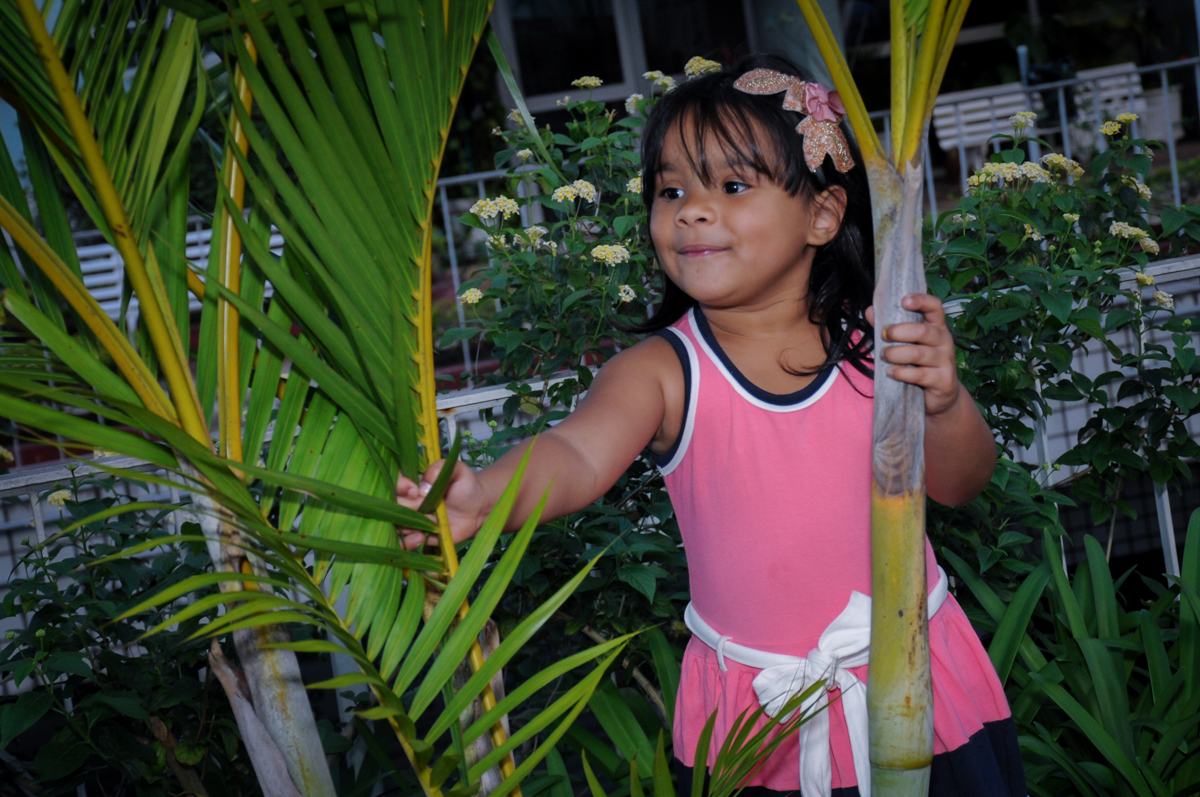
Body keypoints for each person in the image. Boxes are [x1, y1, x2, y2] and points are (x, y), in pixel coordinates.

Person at [398, 54, 1024, 797]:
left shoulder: (880, 343)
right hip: (761, 731)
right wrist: (486, 493)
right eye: (672, 190)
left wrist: (945, 399)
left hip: (923, 691)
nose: (693, 209)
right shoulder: (662, 372)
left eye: (731, 186)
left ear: (822, 214)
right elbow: (575, 451)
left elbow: (961, 482)